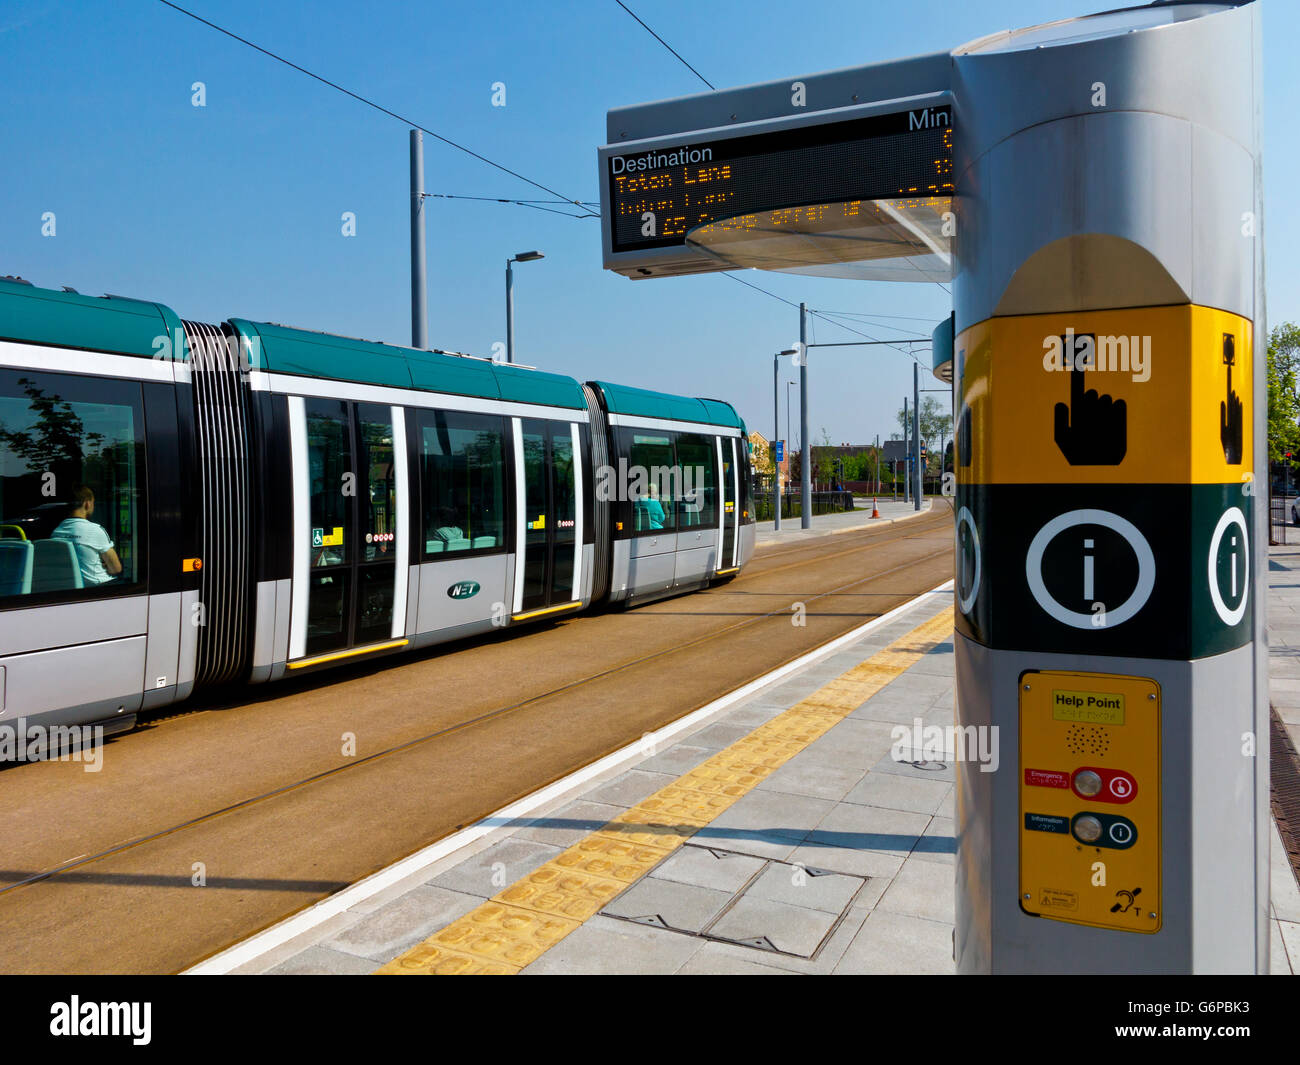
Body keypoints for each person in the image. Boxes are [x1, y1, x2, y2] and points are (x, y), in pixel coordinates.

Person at [50, 485, 122, 585]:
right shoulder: (95, 530)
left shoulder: (56, 532)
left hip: (69, 587)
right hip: (98, 587)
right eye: (93, 503)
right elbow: (116, 569)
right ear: (87, 504)